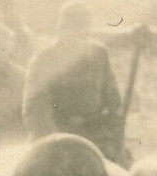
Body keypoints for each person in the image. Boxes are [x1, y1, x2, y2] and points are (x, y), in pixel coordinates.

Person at [22, 1, 126, 164]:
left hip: (96, 137)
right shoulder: (43, 60)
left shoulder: (98, 55)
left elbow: (114, 102)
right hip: (57, 136)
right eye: (72, 29)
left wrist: (113, 139)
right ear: (61, 30)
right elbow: (36, 110)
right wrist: (56, 143)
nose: (78, 35)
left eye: (83, 30)